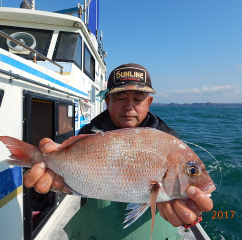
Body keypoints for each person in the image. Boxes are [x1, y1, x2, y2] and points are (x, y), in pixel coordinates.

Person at [23, 63, 213, 240]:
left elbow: (187, 200)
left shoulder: (169, 140)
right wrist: (55, 169)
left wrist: (191, 211)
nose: (129, 106)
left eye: (138, 99)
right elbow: (74, 180)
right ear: (107, 101)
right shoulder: (89, 134)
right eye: (121, 98)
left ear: (149, 102)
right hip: (96, 232)